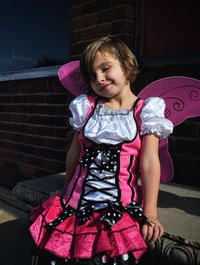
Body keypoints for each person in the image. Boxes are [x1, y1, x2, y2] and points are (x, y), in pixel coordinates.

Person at [29, 36, 173, 265]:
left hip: (117, 206)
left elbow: (149, 163)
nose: (99, 78)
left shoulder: (146, 112)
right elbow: (74, 155)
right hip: (74, 204)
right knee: (54, 254)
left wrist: (151, 212)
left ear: (127, 65)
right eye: (92, 75)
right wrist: (65, 190)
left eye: (105, 68)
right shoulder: (85, 108)